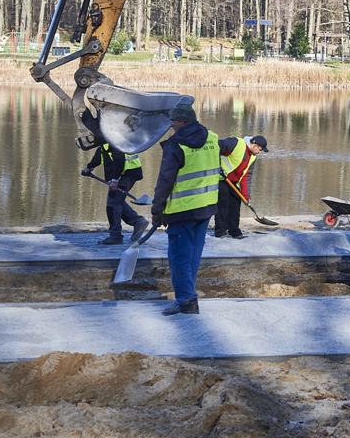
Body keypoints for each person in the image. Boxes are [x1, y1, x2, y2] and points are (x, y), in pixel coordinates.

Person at [150, 102, 221, 316]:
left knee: (179, 258)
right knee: (192, 256)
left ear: (181, 122)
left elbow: (165, 181)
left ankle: (187, 302)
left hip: (182, 211)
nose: (171, 125)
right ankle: (188, 295)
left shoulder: (176, 145)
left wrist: (157, 210)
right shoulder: (213, 138)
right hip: (206, 207)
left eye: (173, 121)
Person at [83, 140, 148, 246]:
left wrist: (115, 179)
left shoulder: (112, 135)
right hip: (128, 172)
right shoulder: (106, 136)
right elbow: (102, 152)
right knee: (117, 202)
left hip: (126, 173)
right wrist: (89, 167)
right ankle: (138, 221)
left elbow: (119, 158)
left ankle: (115, 236)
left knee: (112, 204)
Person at [215, 134, 268, 238]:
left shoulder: (253, 157)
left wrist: (245, 196)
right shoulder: (236, 143)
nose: (260, 152)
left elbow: (246, 177)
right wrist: (217, 166)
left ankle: (234, 231)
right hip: (220, 178)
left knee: (235, 203)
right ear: (254, 145)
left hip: (232, 182)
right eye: (260, 149)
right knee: (223, 203)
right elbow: (216, 148)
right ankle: (220, 231)